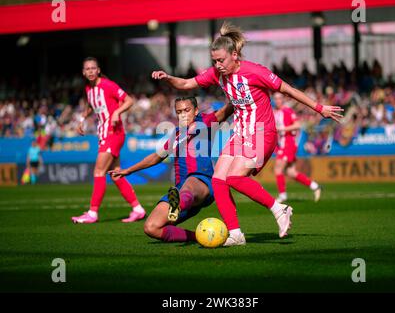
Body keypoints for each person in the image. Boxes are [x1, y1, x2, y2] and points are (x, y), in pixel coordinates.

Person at [151, 22, 343, 246]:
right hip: (239, 133)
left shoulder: (255, 71)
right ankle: (235, 233)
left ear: (234, 55)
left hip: (262, 132)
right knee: (219, 180)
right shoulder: (217, 74)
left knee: (234, 177)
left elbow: (288, 90)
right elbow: (186, 83)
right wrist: (168, 77)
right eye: (214, 61)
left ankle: (279, 208)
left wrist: (320, 109)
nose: (218, 65)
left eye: (221, 60)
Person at [109, 96, 234, 243]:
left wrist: (238, 89)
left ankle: (179, 204)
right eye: (179, 111)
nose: (183, 114)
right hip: (180, 189)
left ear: (195, 111)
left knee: (189, 184)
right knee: (151, 227)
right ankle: (198, 236)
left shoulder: (205, 121)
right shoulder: (176, 134)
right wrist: (128, 171)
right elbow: (157, 157)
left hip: (202, 181)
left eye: (187, 110)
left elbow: (226, 110)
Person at [71, 57, 146, 224]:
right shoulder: (89, 89)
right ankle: (138, 209)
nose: (90, 71)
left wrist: (117, 112)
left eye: (93, 68)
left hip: (113, 133)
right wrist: (82, 119)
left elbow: (129, 100)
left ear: (98, 70)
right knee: (115, 174)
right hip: (104, 133)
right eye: (87, 69)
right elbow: (91, 105)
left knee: (99, 171)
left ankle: (92, 213)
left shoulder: (107, 85)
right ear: (84, 72)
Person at [272, 91, 321, 203]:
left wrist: (282, 129)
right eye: (275, 99)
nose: (277, 101)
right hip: (282, 144)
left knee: (278, 168)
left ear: (283, 99)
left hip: (288, 143)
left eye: (279, 98)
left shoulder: (287, 111)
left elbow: (297, 125)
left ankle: (283, 195)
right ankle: (315, 186)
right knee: (291, 172)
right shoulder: (276, 112)